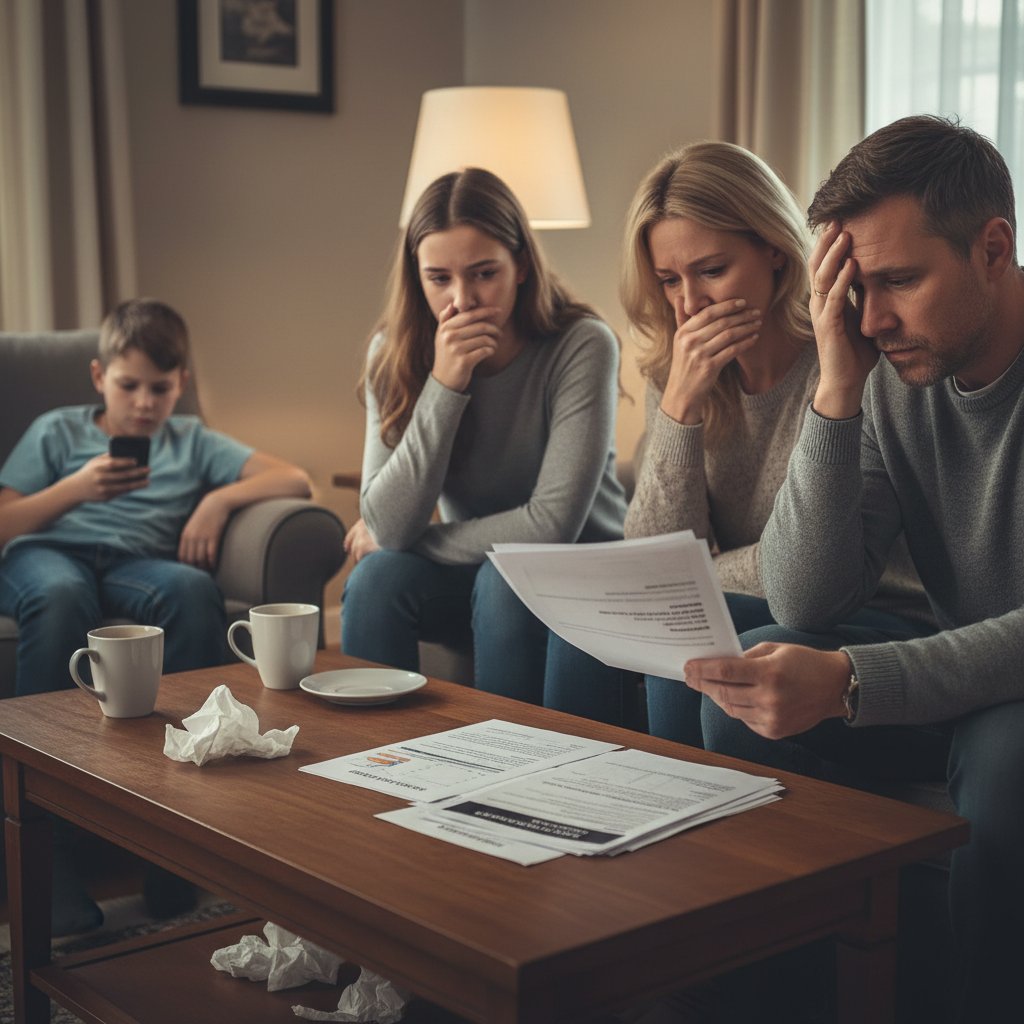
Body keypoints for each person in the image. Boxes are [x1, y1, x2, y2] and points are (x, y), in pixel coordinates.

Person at [683, 115, 1024, 1022]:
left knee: (1007, 754)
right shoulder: (891, 370)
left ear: (995, 248)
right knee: (754, 677)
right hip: (962, 664)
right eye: (857, 289)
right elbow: (808, 595)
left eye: (901, 281)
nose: (873, 318)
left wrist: (852, 682)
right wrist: (835, 391)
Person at [544, 141, 929, 742]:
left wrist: (703, 573)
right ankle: (578, 806)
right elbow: (656, 571)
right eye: (670, 280)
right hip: (763, 603)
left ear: (774, 249)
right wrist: (679, 407)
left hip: (868, 608)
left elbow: (796, 572)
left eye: (711, 271)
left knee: (692, 637)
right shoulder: (680, 374)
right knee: (596, 635)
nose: (689, 304)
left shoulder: (845, 353)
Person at [0, 297, 313, 934]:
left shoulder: (190, 440)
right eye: (128, 386)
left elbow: (295, 479)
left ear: (182, 387)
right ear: (98, 377)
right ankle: (46, 847)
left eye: (160, 389)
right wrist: (75, 490)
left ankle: (181, 828)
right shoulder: (58, 431)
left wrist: (220, 499)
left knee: (192, 590)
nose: (144, 403)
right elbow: (6, 522)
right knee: (62, 598)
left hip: (135, 567)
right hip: (47, 553)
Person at [341, 167, 627, 701]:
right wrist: (445, 385)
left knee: (503, 579)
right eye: (439, 279)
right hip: (474, 569)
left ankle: (497, 768)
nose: (462, 300)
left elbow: (550, 526)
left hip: (577, 573)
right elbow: (385, 521)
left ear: (520, 265)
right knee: (379, 579)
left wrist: (414, 540)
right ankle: (371, 770)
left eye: (483, 273)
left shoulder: (583, 344)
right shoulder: (394, 351)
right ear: (416, 276)